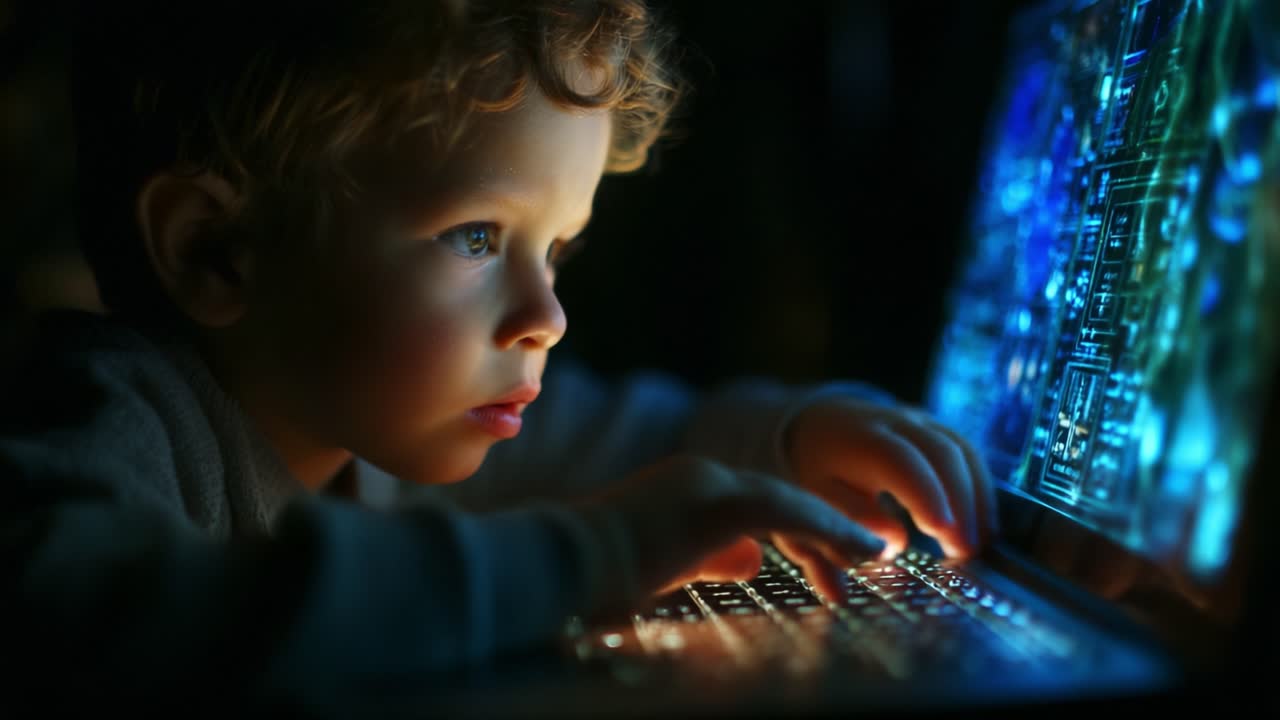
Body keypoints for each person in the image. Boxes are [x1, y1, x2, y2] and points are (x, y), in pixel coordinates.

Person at [1, 0, 995, 711]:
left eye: (556, 249)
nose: (545, 315)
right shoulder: (105, 419)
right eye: (477, 237)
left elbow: (644, 440)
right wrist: (594, 554)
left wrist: (796, 436)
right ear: (214, 250)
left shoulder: (393, 420)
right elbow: (83, 623)